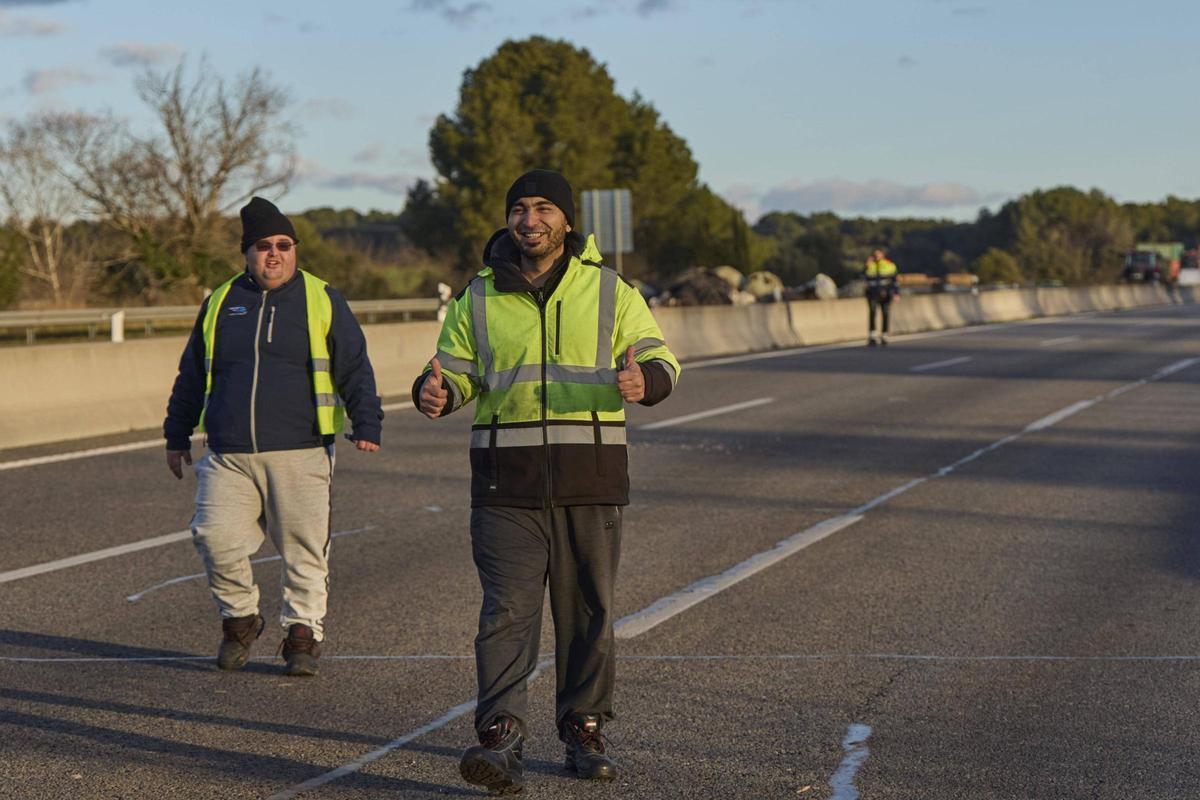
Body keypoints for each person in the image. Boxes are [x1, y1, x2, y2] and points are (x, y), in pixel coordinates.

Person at [414, 169, 680, 794]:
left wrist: (646, 380)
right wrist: (436, 390)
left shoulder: (610, 290)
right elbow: (455, 371)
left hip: (590, 478)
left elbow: (661, 357)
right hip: (505, 482)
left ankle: (584, 727)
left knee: (588, 613)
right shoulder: (477, 296)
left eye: (543, 208)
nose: (529, 220)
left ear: (565, 220)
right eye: (519, 209)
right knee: (506, 612)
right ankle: (501, 736)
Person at [164, 196, 382, 677]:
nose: (275, 254)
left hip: (301, 448)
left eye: (285, 245)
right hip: (228, 451)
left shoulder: (321, 297)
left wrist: (367, 420)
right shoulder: (221, 302)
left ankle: (303, 635)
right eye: (264, 246)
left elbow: (353, 363)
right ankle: (241, 618)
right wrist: (176, 433)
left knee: (305, 550)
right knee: (214, 536)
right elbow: (192, 373)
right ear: (247, 252)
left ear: (295, 250)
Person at [864, 248, 899, 346]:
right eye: (875, 254)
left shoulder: (890, 265)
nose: (876, 256)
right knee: (872, 312)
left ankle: (884, 334)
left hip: (885, 293)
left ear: (883, 255)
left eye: (878, 254)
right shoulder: (870, 265)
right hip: (872, 293)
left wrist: (896, 293)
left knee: (885, 313)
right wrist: (866, 266)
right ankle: (872, 335)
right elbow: (863, 277)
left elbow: (895, 281)